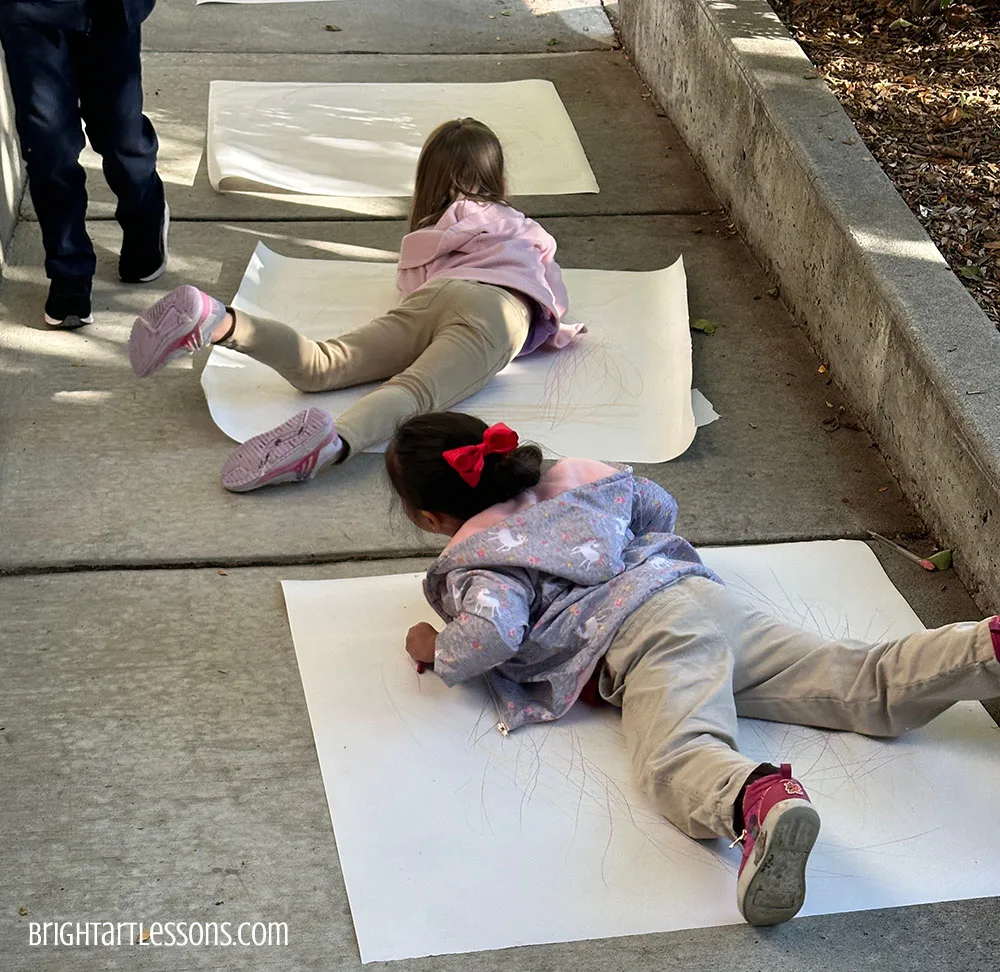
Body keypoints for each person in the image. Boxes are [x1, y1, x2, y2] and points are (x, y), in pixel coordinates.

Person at [386, 410, 1000, 926]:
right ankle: (982, 649)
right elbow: (657, 506)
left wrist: (435, 648)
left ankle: (754, 798)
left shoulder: (484, 560)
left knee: (674, 758)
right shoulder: (583, 485)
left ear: (430, 520)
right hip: (699, 597)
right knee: (855, 678)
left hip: (650, 640)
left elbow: (494, 632)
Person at [129, 117, 582, 492]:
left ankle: (221, 322)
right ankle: (335, 442)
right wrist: (555, 329)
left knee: (326, 362)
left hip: (439, 294)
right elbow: (549, 292)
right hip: (498, 312)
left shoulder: (433, 229)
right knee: (413, 391)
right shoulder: (523, 228)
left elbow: (412, 284)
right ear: (501, 181)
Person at [0, 0, 168, 328]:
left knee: (121, 136)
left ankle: (145, 213)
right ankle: (68, 269)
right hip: (29, 11)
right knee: (48, 146)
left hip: (109, 9)